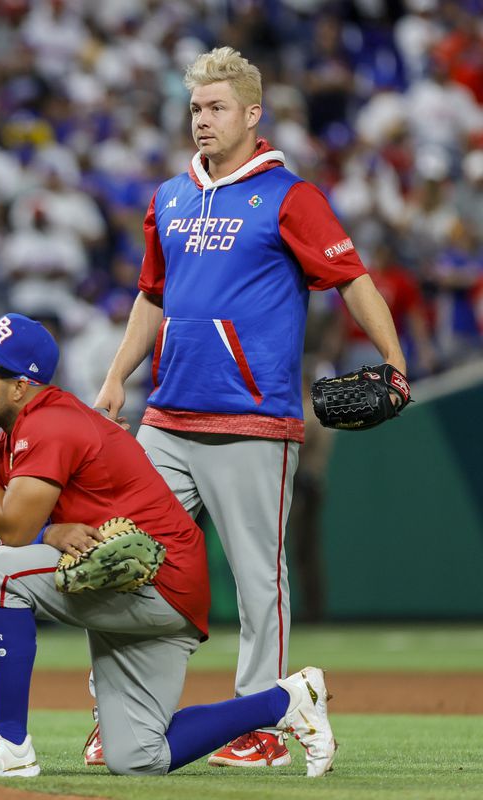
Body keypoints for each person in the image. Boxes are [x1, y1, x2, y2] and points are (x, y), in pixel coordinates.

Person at [92, 46, 407, 767]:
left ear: (251, 114)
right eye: (196, 107)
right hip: (166, 418)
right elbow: (152, 296)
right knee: (118, 563)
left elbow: (351, 278)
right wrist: (116, 378)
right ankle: (122, 714)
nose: (202, 120)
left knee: (258, 583)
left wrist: (394, 359)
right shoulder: (169, 196)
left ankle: (260, 723)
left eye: (216, 108)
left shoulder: (288, 195)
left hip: (252, 420)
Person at [0, 313, 336, 778]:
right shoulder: (17, 437)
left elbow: (12, 532)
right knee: (138, 758)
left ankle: (9, 740)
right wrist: (47, 532)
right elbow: (11, 524)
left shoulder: (49, 423)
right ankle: (288, 700)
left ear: (19, 387)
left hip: (156, 581)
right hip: (148, 590)